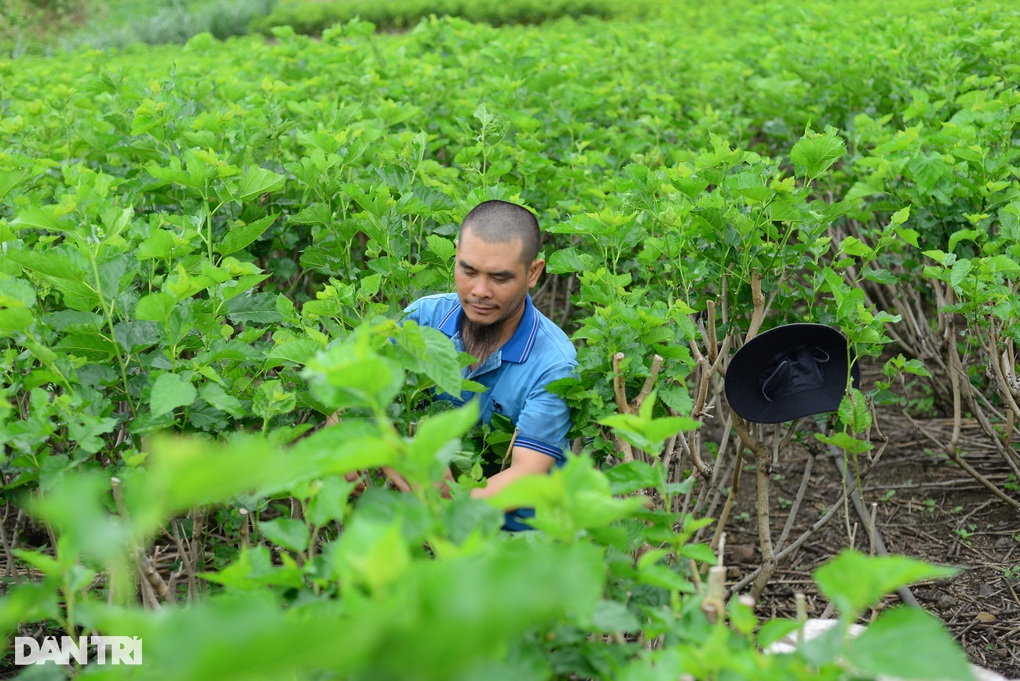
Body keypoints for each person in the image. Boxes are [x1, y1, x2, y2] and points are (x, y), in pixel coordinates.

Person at [394, 199, 578, 530]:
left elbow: (526, 473)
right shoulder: (423, 318)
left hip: (513, 538)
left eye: (499, 278)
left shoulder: (554, 363)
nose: (479, 291)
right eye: (468, 270)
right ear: (456, 254)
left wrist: (446, 509)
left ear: (533, 272)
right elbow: (355, 411)